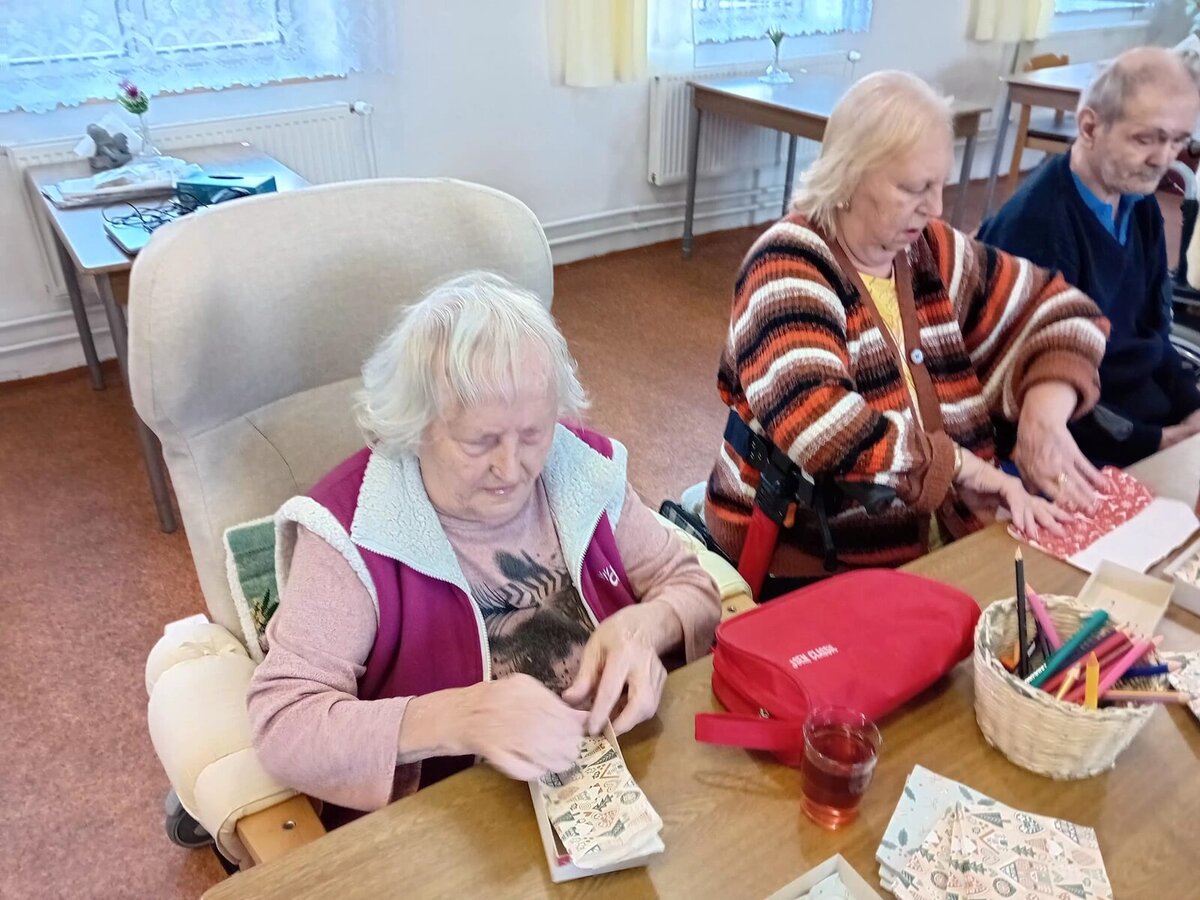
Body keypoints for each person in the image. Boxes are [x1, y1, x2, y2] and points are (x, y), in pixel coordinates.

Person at [248, 273, 720, 819]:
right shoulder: (353, 530)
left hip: (623, 776)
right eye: (480, 441)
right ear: (415, 426)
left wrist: (648, 625)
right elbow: (283, 722)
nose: (512, 468)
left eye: (533, 434)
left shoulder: (579, 467)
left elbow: (690, 586)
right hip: (454, 818)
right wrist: (462, 716)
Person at [704, 71, 1110, 582]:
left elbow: (1063, 312)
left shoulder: (927, 249)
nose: (936, 207)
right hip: (814, 562)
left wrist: (1041, 421)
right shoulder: (785, 268)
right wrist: (960, 468)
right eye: (914, 188)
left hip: (940, 543)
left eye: (940, 184)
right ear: (849, 177)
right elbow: (822, 427)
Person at [979, 47, 1200, 467]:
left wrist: (1192, 407)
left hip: (1142, 419)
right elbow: (1037, 389)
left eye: (1178, 141)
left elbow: (1156, 334)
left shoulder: (1140, 204)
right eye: (1145, 139)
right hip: (1083, 445)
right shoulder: (1038, 227)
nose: (1164, 159)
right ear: (1090, 127)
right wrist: (1159, 441)